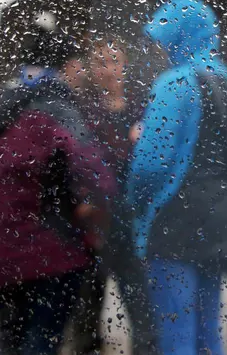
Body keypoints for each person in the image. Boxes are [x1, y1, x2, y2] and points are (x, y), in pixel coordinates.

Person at [0, 23, 115, 355]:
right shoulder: (58, 107)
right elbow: (97, 175)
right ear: (65, 66)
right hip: (52, 244)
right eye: (78, 63)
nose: (82, 71)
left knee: (9, 336)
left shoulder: (0, 106)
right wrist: (98, 206)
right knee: (42, 337)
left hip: (2, 243)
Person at [127, 0, 227, 355]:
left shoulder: (175, 84)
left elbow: (151, 165)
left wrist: (136, 205)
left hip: (174, 217)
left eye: (165, 39)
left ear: (180, 36)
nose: (161, 49)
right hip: (220, 214)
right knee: (209, 329)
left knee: (176, 328)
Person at [68, 38, 158, 355]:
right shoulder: (81, 109)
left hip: (133, 218)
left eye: (114, 61)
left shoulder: (143, 107)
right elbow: (75, 161)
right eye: (100, 62)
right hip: (94, 219)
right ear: (91, 69)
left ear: (125, 65)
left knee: (140, 303)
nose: (108, 69)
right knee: (88, 303)